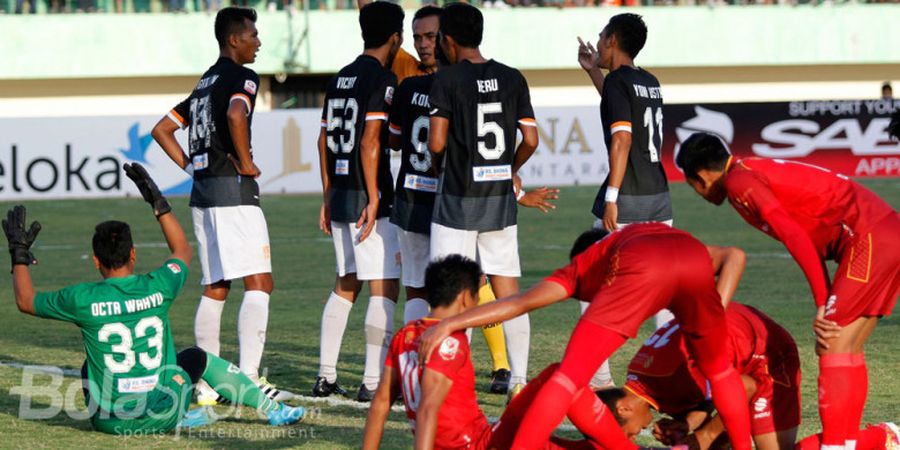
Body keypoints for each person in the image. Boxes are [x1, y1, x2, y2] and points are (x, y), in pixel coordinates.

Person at [3, 164, 304, 435]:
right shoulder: (158, 285)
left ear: (96, 260)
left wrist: (19, 253)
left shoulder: (81, 298)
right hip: (165, 413)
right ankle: (273, 410)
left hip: (111, 422)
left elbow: (26, 301)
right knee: (198, 358)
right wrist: (158, 204)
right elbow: (182, 251)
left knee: (89, 367)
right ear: (133, 254)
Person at [419, 224, 755, 450]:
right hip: (693, 256)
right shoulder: (646, 236)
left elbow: (519, 302)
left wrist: (450, 323)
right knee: (721, 372)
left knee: (566, 378)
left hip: (642, 262)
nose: (591, 301)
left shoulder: (587, 264)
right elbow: (735, 256)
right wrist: (705, 324)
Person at [675, 132, 900, 450]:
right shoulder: (747, 171)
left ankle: (837, 445)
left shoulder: (740, 182)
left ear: (700, 176)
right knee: (847, 347)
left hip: (868, 238)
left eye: (693, 186)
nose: (699, 194)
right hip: (885, 232)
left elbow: (794, 234)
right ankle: (851, 443)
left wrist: (822, 300)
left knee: (831, 344)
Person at [362, 255, 665, 450]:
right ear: (467, 297)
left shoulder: (406, 334)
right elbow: (429, 409)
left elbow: (381, 404)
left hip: (486, 437)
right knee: (561, 377)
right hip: (479, 444)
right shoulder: (451, 342)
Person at [151, 7, 291, 405]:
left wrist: (190, 164)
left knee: (215, 286)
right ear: (234, 39)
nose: (258, 42)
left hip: (203, 192)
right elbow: (235, 113)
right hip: (233, 190)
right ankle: (247, 379)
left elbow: (162, 129)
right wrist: (246, 163)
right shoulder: (241, 77)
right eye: (253, 35)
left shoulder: (203, 82)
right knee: (260, 282)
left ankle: (206, 383)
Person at [427, 2, 538, 397]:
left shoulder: (447, 79)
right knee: (510, 292)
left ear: (448, 39)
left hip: (457, 198)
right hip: (498, 201)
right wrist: (509, 168)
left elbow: (436, 141)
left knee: (451, 296)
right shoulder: (512, 77)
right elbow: (531, 140)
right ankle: (521, 380)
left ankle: (456, 380)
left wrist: (441, 162)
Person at [578, 13, 674, 387]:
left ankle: (599, 377)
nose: (598, 44)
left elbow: (622, 139)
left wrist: (613, 197)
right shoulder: (648, 81)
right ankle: (664, 368)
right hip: (660, 198)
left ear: (613, 39)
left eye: (602, 37)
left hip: (630, 196)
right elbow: (623, 107)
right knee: (664, 288)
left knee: (588, 275)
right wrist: (592, 73)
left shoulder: (619, 82)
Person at [315, 1, 404, 402]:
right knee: (383, 288)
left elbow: (322, 140)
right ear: (395, 37)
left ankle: (325, 375)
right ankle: (370, 383)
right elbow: (370, 141)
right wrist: (374, 196)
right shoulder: (382, 78)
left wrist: (327, 194)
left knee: (345, 284)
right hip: (370, 197)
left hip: (340, 194)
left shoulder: (341, 77)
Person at [598, 302, 800, 450]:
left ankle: (830, 443)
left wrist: (705, 435)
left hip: (770, 353)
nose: (633, 438)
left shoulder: (672, 378)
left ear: (623, 408)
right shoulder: (642, 376)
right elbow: (710, 393)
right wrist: (687, 424)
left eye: (628, 434)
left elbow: (743, 387)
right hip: (738, 330)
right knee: (710, 440)